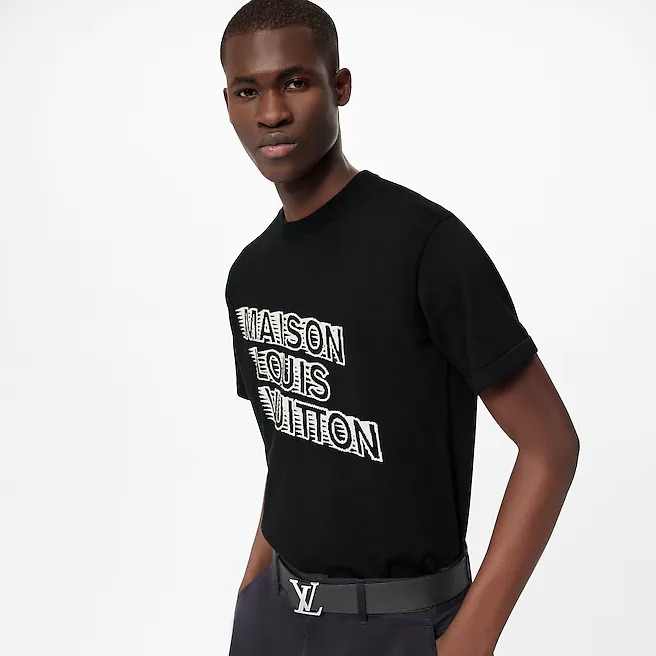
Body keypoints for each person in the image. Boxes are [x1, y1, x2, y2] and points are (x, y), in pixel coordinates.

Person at [220, 1, 579, 654]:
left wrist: (470, 639)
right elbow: (293, 453)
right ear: (228, 104)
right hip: (274, 618)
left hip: (403, 625)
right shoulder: (250, 276)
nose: (271, 113)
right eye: (248, 91)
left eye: (294, 82)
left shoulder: (426, 247)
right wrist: (251, 594)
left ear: (340, 86)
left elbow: (550, 447)